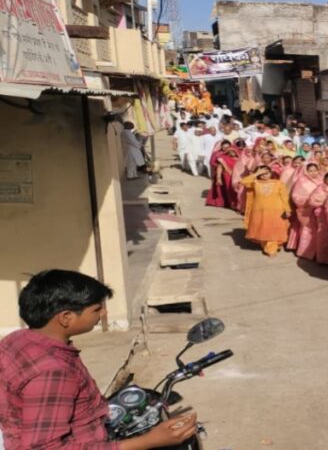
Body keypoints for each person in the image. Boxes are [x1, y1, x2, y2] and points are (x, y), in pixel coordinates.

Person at [0, 270, 197, 449]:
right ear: (66, 318)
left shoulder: (17, 339)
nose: (104, 313)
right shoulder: (54, 371)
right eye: (96, 309)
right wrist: (148, 441)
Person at [241, 165, 292, 257]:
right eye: (262, 174)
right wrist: (256, 173)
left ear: (271, 173)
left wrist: (287, 209)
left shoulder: (278, 183)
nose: (264, 175)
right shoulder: (255, 183)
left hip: (276, 211)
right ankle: (269, 246)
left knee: (275, 230)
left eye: (266, 173)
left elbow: (284, 197)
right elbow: (244, 182)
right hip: (259, 211)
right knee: (263, 230)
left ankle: (271, 249)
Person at [288, 163, 322, 260]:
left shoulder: (321, 180)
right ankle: (305, 252)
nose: (313, 173)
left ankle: (318, 252)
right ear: (306, 171)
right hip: (306, 210)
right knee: (307, 231)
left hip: (319, 210)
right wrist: (310, 203)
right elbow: (295, 196)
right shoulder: (301, 181)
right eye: (310, 171)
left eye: (315, 170)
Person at [205, 141, 238, 209]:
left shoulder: (239, 159)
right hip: (225, 175)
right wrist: (218, 177)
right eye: (224, 147)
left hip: (235, 176)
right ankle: (230, 203)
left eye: (228, 147)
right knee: (227, 190)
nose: (232, 153)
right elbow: (216, 165)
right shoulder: (221, 157)